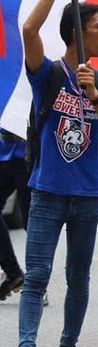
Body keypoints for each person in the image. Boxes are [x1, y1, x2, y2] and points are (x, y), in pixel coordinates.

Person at [13, 0, 98, 347]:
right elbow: (28, 30)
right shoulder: (49, 75)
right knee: (36, 275)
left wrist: (94, 94)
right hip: (47, 193)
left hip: (88, 198)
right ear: (78, 32)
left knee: (78, 276)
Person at [0, 129, 28, 301]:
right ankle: (14, 274)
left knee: (32, 221)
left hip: (28, 154)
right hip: (2, 151)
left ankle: (37, 285)